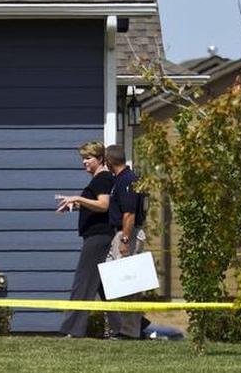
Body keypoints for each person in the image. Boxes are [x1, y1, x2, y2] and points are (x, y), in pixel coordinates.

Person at [56, 140, 114, 338]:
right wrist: (78, 206)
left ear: (100, 158)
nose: (84, 162)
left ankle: (73, 329)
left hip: (98, 236)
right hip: (96, 236)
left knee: (83, 282)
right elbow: (97, 205)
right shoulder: (99, 179)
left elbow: (103, 205)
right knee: (102, 285)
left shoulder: (102, 178)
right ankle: (127, 327)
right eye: (83, 158)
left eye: (88, 158)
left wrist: (78, 198)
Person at [105, 143, 148, 339]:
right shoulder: (122, 179)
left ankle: (130, 331)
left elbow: (129, 214)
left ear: (109, 161)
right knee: (114, 282)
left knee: (129, 285)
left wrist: (124, 240)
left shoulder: (127, 180)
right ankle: (132, 325)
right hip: (122, 233)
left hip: (127, 233)